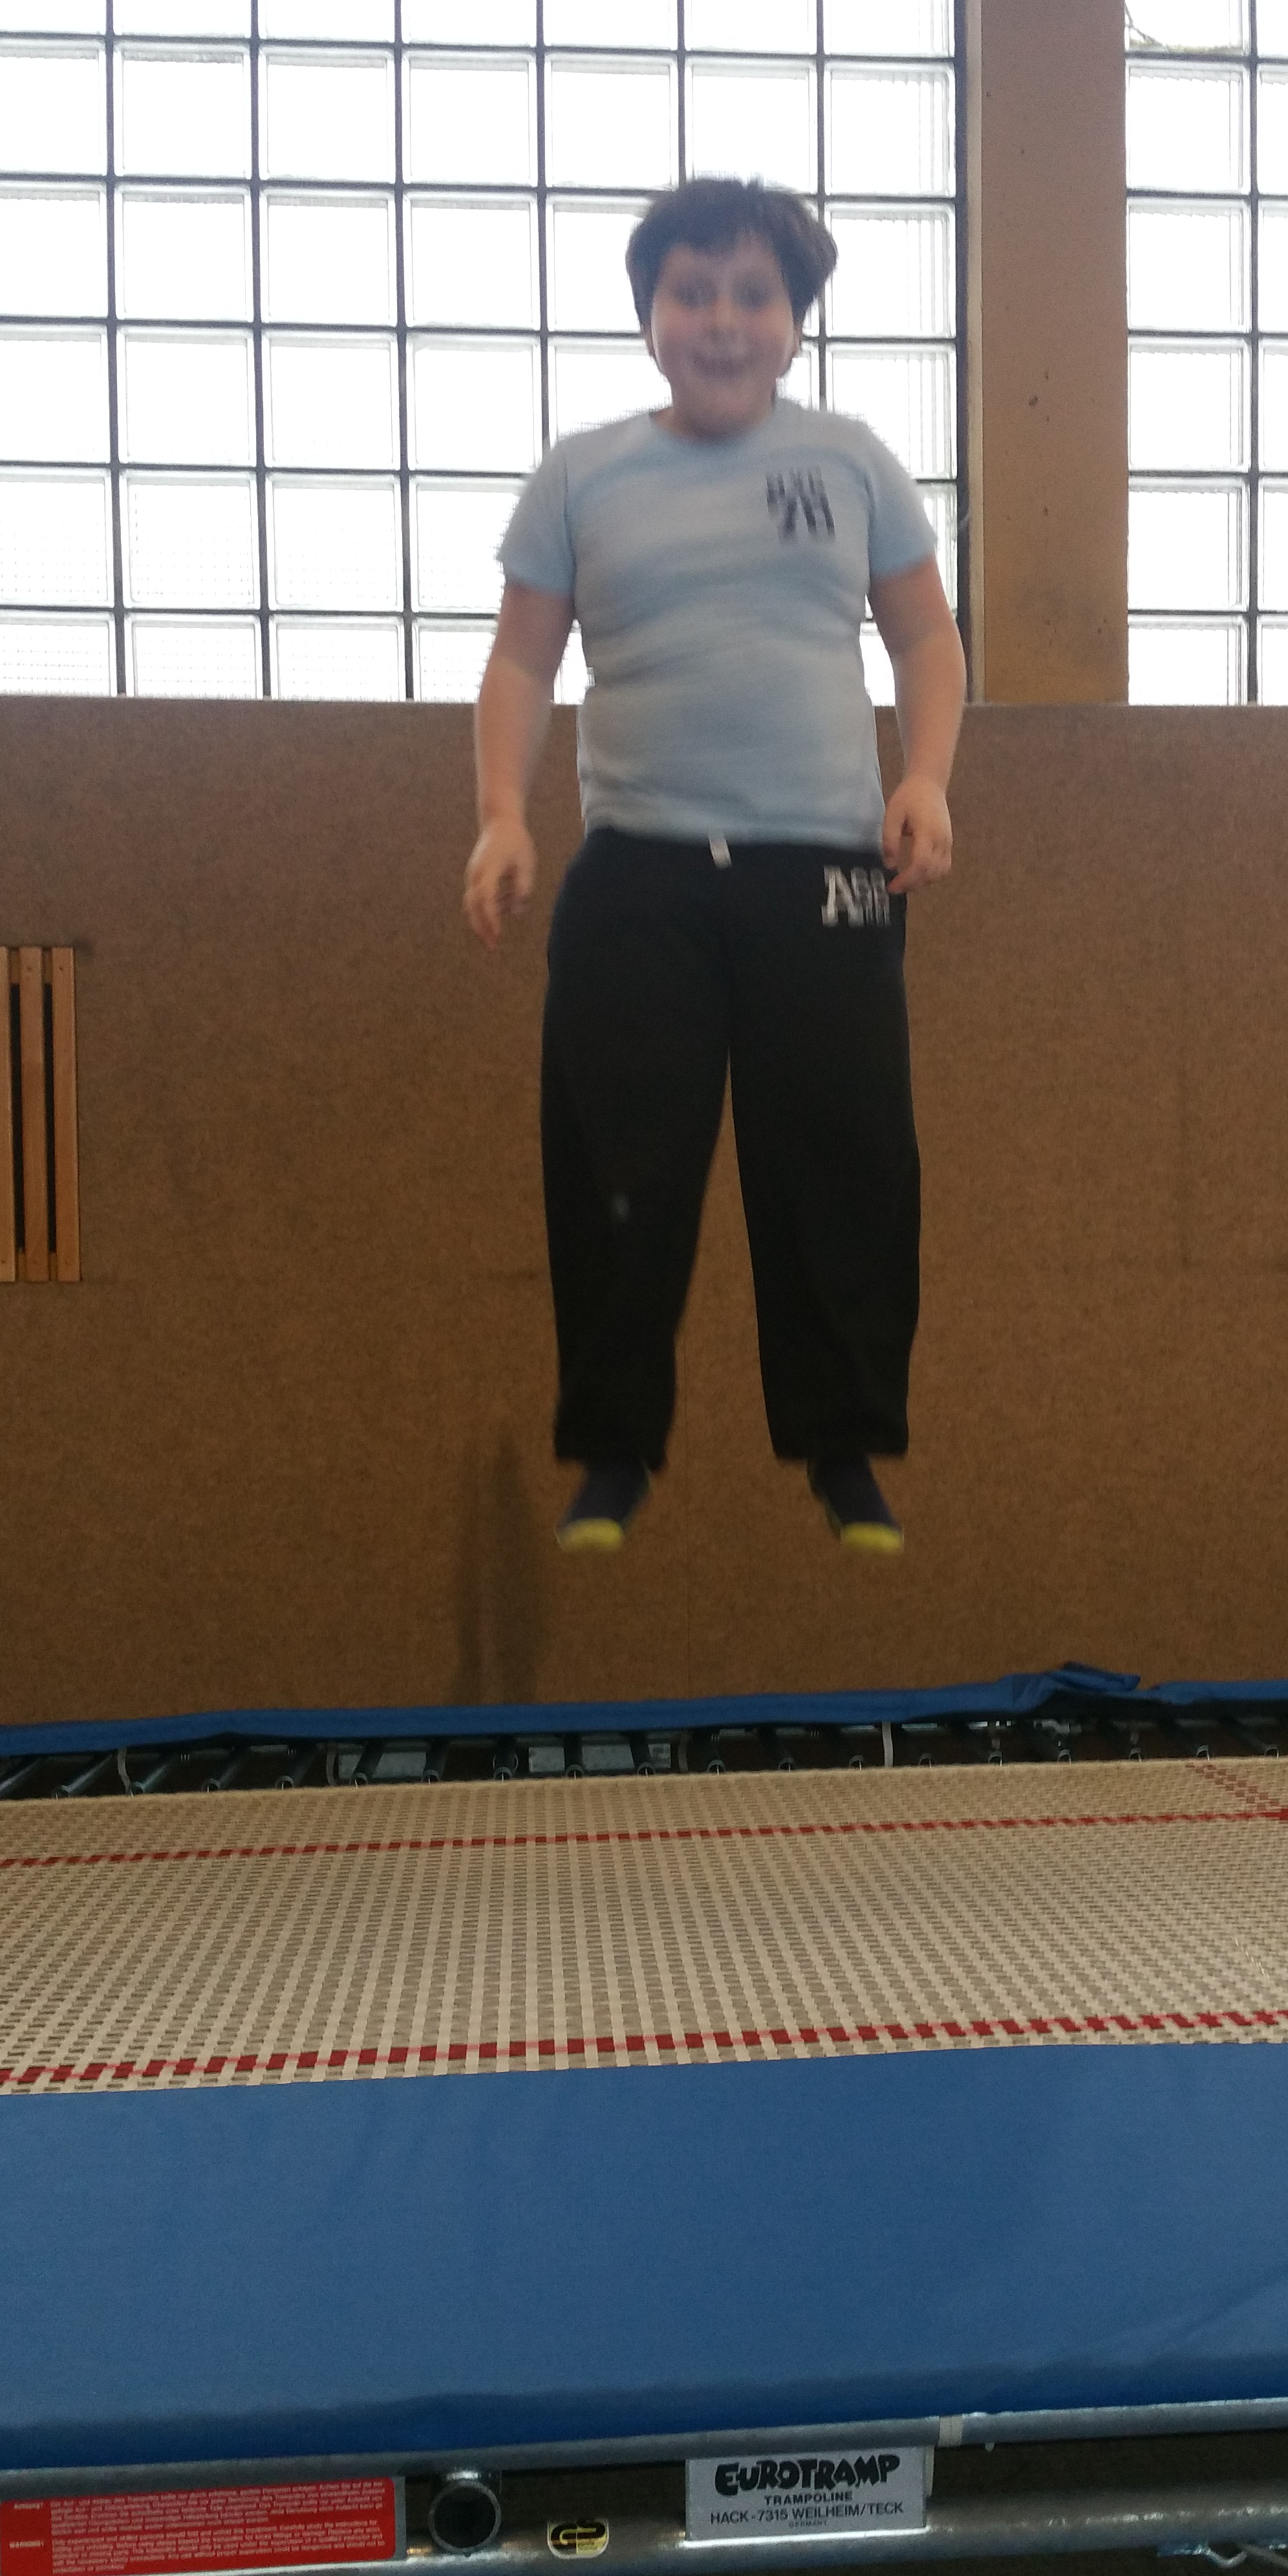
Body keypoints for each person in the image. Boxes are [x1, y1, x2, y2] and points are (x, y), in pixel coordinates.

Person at [464, 175, 966, 1559]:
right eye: (692, 294)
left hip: (824, 869)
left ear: (795, 321)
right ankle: (614, 1447)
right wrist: (503, 812)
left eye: (754, 295)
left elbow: (926, 638)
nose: (724, 321)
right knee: (618, 1163)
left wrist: (924, 777)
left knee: (844, 1157)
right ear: (650, 316)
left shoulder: (852, 462)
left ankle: (845, 1444)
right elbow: (521, 662)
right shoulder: (583, 476)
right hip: (642, 872)